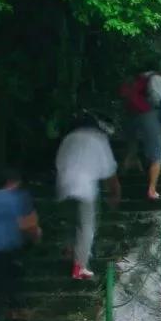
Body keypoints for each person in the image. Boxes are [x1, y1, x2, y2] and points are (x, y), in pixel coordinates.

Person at [56, 115, 120, 281]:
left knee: (69, 221)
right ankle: (80, 267)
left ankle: (69, 249)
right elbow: (109, 170)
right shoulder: (98, 138)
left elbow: (58, 162)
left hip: (64, 184)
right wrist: (115, 191)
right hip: (85, 186)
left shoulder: (68, 138)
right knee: (86, 226)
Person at [0, 166, 40, 321]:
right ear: (12, 182)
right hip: (9, 249)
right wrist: (35, 239)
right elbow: (29, 225)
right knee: (11, 281)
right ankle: (17, 313)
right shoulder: (19, 198)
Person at [120, 68, 161, 201]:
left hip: (129, 116)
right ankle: (152, 190)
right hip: (149, 115)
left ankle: (119, 185)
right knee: (156, 156)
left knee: (131, 152)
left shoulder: (135, 80)